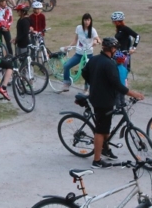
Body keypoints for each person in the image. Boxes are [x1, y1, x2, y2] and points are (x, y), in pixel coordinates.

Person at [81, 37, 144, 168]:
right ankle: (97, 161)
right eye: (116, 48)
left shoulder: (94, 59)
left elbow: (84, 72)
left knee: (105, 127)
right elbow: (118, 85)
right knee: (100, 130)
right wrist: (134, 94)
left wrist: (94, 83)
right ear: (112, 49)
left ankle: (106, 149)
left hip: (97, 97)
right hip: (104, 101)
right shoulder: (110, 64)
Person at [62, 13, 100, 92]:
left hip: (88, 54)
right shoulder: (79, 28)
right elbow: (75, 40)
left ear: (90, 21)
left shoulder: (92, 30)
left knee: (88, 71)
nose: (87, 22)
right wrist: (69, 46)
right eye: (85, 20)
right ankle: (66, 83)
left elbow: (98, 39)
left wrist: (96, 41)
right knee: (66, 66)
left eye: (88, 20)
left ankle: (86, 88)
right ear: (83, 20)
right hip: (79, 53)